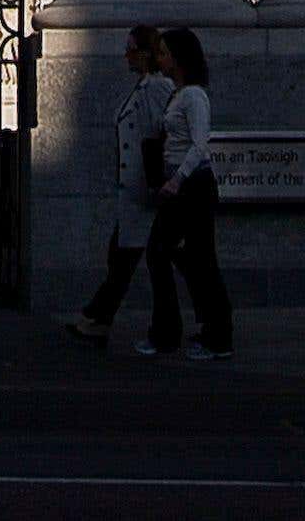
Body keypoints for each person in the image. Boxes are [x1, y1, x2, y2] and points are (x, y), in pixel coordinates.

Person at [63, 25, 171, 349]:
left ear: (146, 52)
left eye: (131, 48)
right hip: (134, 190)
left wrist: (156, 182)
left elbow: (157, 134)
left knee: (135, 260)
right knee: (125, 258)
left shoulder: (156, 88)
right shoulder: (142, 87)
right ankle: (98, 319)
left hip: (144, 190)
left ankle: (99, 319)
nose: (126, 54)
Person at [142, 25, 236, 360]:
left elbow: (199, 144)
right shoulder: (177, 93)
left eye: (165, 53)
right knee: (164, 253)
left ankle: (216, 335)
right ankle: (172, 331)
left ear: (180, 58)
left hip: (193, 186)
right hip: (180, 186)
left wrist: (176, 179)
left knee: (198, 260)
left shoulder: (194, 96)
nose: (160, 58)